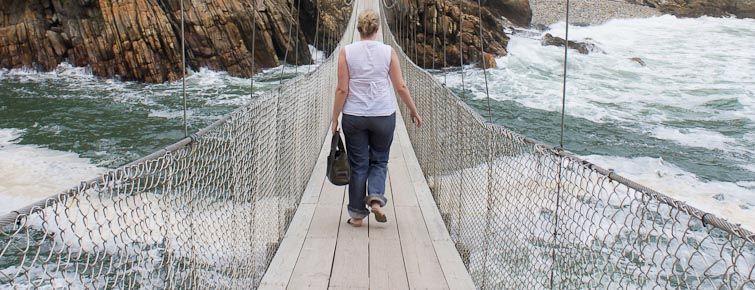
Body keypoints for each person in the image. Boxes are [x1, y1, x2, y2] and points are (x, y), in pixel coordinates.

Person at [330, 9, 422, 227]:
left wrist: (334, 118)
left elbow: (342, 89)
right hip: (383, 115)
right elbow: (400, 86)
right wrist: (413, 110)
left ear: (358, 28)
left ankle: (357, 215)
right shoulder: (388, 51)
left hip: (354, 116)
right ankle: (376, 198)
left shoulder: (346, 52)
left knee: (358, 164)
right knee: (379, 160)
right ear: (378, 28)